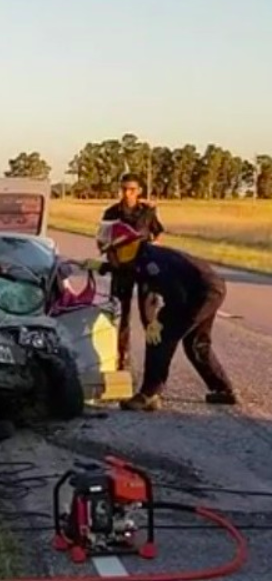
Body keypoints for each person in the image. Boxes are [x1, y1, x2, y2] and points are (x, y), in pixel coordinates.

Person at [92, 220, 237, 411]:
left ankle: (149, 394)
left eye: (110, 253)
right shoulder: (140, 256)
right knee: (195, 343)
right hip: (208, 287)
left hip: (199, 293)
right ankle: (223, 390)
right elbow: (129, 272)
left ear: (121, 248)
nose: (110, 258)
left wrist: (158, 322)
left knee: (160, 339)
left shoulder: (152, 264)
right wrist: (102, 267)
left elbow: (176, 297)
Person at [101, 174, 166, 370]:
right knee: (120, 315)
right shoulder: (111, 213)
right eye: (123, 189)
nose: (126, 193)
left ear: (138, 191)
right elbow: (103, 240)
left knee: (149, 317)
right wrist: (112, 258)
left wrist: (154, 247)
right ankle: (121, 359)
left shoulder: (147, 212)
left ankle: (154, 362)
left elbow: (158, 232)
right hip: (121, 268)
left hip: (145, 267)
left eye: (131, 189)